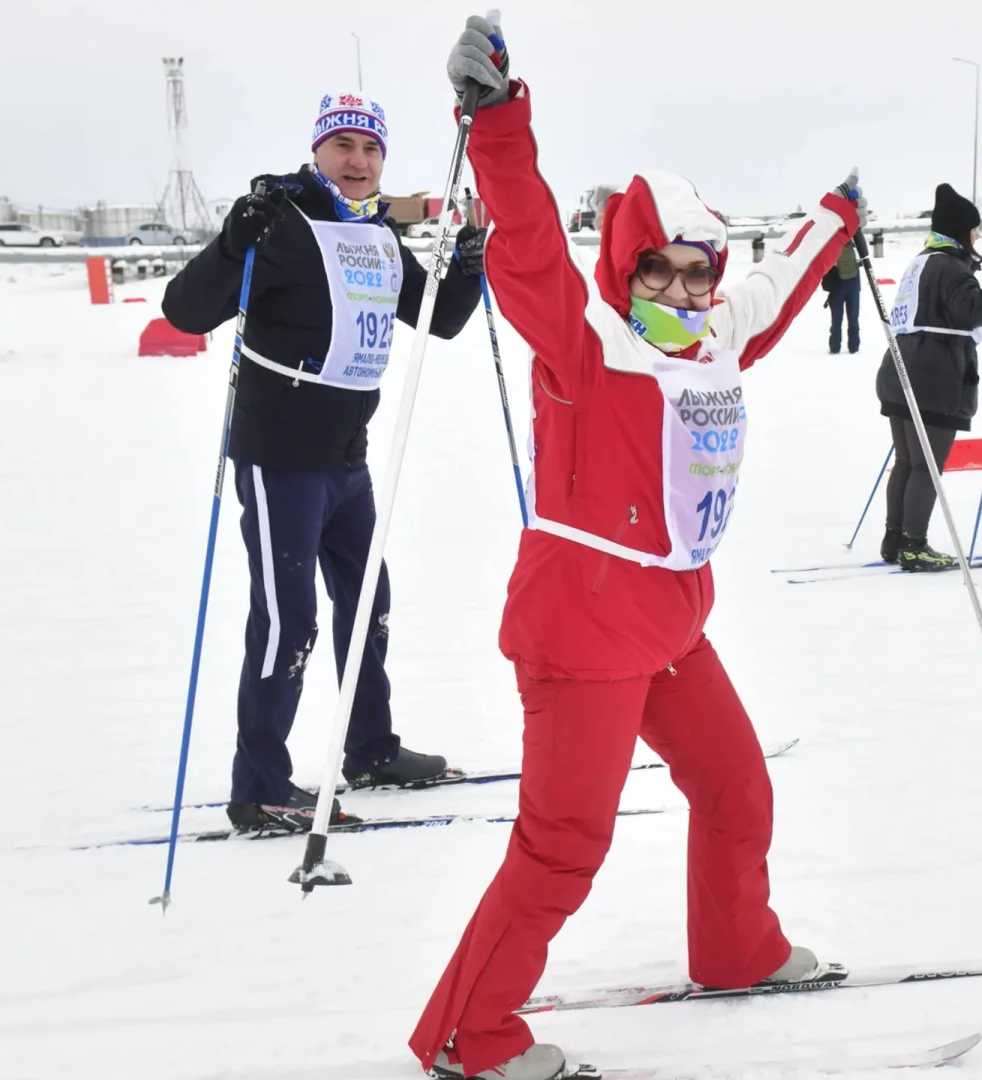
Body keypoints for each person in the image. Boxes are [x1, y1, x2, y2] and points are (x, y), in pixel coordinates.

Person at [409, 17, 865, 1080]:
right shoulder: (585, 343)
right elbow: (523, 241)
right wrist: (494, 120)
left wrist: (839, 214)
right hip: (582, 625)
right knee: (564, 842)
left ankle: (738, 949)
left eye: (696, 273)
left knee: (738, 789)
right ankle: (469, 1037)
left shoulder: (714, 337)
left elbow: (780, 286)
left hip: (668, 622)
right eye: (657, 274)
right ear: (626, 269)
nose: (683, 293)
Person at [161, 89, 486, 835]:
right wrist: (232, 244)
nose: (358, 161)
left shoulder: (371, 233)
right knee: (289, 619)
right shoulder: (280, 221)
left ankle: (369, 748)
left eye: (371, 149)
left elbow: (437, 320)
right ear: (317, 151)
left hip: (348, 457)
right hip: (282, 458)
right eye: (343, 145)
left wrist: (469, 266)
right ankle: (261, 788)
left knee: (367, 600)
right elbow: (185, 311)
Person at [874, 184, 982, 571]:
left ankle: (895, 538)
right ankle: (914, 545)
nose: (977, 237)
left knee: (910, 462)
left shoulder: (924, 260)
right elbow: (974, 311)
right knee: (925, 465)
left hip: (901, 370)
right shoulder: (949, 266)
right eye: (974, 230)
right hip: (933, 378)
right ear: (961, 231)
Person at [821, 239, 861, 354]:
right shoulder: (852, 238)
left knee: (836, 319)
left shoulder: (830, 241)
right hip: (853, 281)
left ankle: (834, 347)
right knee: (853, 317)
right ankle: (854, 347)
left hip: (837, 283)